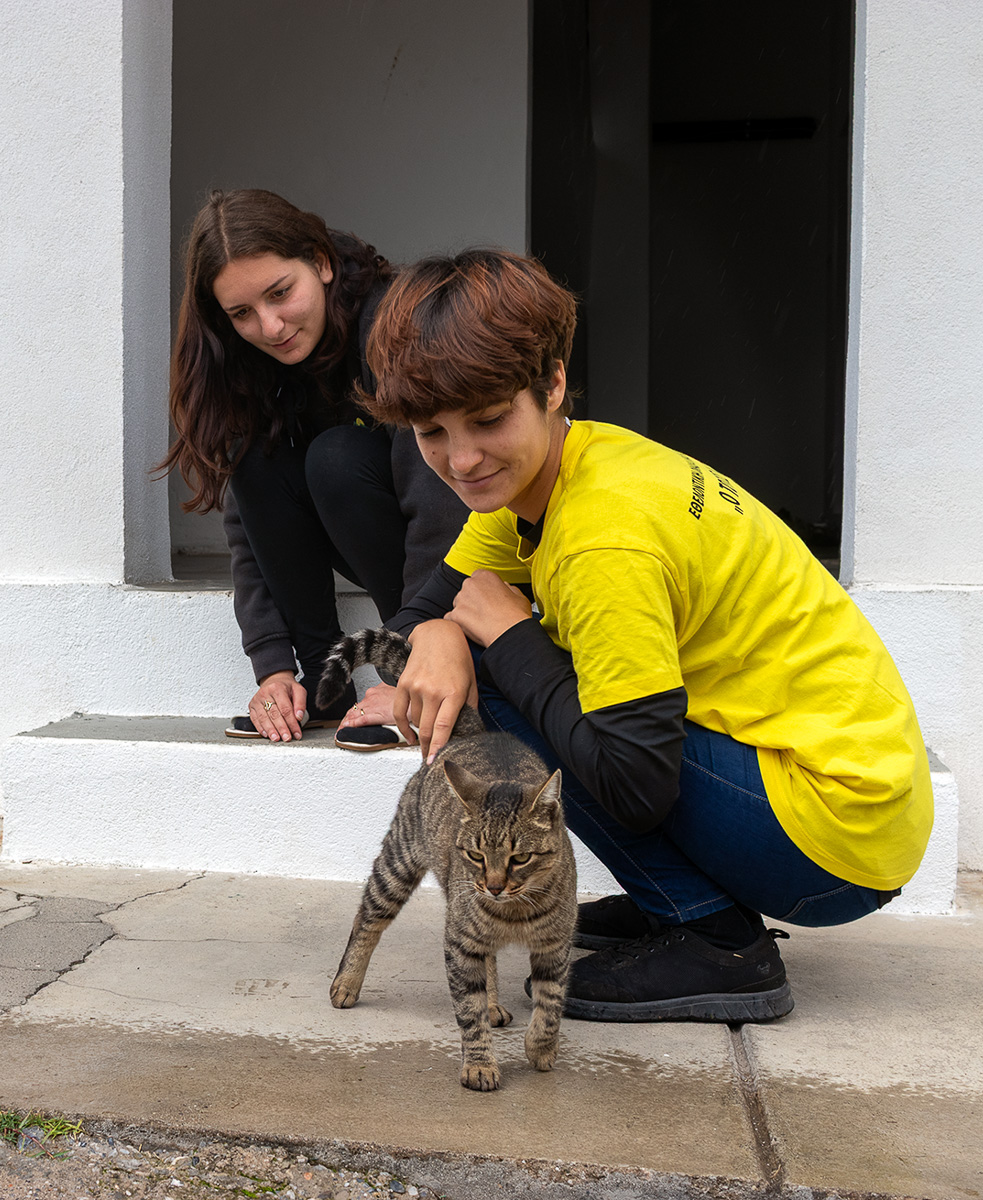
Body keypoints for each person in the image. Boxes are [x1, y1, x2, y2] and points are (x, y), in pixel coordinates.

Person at [342, 249, 932, 1021]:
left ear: (552, 382)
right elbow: (433, 602)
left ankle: (718, 942)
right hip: (855, 796)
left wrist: (506, 641)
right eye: (430, 432)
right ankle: (672, 902)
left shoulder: (601, 539)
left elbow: (633, 784)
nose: (461, 459)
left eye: (488, 419)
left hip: (836, 835)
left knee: (508, 676)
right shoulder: (560, 466)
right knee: (488, 650)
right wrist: (441, 637)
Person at [159, 189, 466, 747]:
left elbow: (441, 501)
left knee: (335, 457)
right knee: (255, 464)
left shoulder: (396, 327)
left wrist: (418, 659)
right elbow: (249, 523)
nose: (271, 327)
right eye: (242, 314)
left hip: (457, 548)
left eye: (281, 294)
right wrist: (271, 664)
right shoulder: (250, 363)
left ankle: (408, 672)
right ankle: (327, 688)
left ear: (321, 263)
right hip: (367, 529)